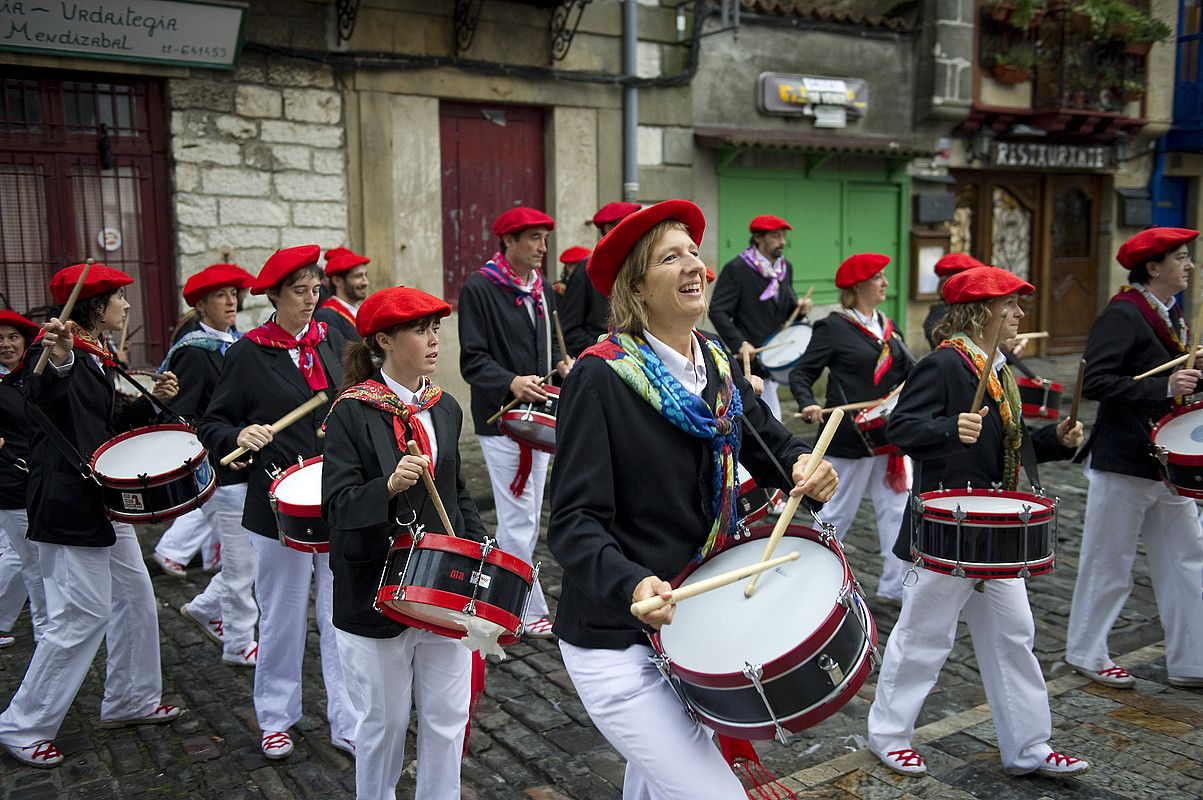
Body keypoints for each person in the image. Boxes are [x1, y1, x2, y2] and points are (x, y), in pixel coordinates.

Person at [547, 200, 839, 799]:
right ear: (637, 289)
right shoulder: (599, 377)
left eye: (695, 253)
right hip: (617, 638)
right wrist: (631, 584)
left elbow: (770, 442)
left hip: (693, 627)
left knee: (656, 788)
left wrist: (802, 466)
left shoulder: (713, 361)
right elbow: (573, 523)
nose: (694, 266)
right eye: (670, 257)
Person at [867, 265, 1088, 778]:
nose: (1018, 314)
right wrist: (950, 426)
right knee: (924, 637)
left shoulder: (999, 368)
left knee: (1015, 637)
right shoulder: (945, 366)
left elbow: (1009, 444)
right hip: (947, 529)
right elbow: (898, 427)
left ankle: (1029, 747)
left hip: (996, 533)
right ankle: (888, 735)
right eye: (1009, 305)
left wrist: (1056, 440)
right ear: (983, 311)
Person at [0, 263, 184, 768]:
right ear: (96, 306)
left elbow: (100, 424)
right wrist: (56, 359)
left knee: (135, 596)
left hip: (100, 499)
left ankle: (130, 698)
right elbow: (40, 393)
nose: (127, 307)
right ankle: (23, 724)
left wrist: (151, 406)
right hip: (67, 502)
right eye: (120, 299)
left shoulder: (96, 354)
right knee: (81, 614)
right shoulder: (55, 350)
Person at [322, 285, 485, 800]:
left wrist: (480, 549)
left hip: (441, 586)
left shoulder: (445, 407)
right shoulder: (350, 412)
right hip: (373, 590)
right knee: (384, 724)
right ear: (385, 341)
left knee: (446, 717)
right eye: (421, 330)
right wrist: (389, 486)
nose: (435, 340)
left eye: (436, 328)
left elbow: (457, 492)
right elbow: (338, 509)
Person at [199, 245, 356, 759]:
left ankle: (348, 719)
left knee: (341, 617)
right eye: (300, 292)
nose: (312, 300)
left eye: (316, 290)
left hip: (337, 500)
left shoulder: (335, 339)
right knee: (282, 616)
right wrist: (238, 435)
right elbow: (213, 423)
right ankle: (275, 716)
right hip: (277, 506)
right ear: (273, 295)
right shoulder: (248, 353)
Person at [1066, 227, 1203, 689]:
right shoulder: (1124, 314)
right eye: (1181, 258)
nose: (1189, 265)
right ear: (1154, 267)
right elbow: (1096, 382)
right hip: (1124, 458)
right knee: (1109, 562)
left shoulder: (1172, 312)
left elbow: (1172, 380)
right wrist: (1161, 387)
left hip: (1168, 461)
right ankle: (1086, 650)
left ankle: (1193, 660)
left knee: (1188, 557)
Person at [458, 206, 570, 638]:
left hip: (538, 415)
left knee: (523, 515)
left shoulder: (541, 289)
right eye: (535, 239)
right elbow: (472, 360)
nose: (544, 248)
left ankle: (510, 598)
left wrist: (559, 364)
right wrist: (511, 382)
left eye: (545, 238)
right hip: (501, 420)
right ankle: (519, 607)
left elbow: (545, 347)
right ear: (508, 242)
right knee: (519, 519)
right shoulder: (480, 289)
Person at [789, 253, 913, 604]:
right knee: (835, 512)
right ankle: (809, 582)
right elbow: (802, 373)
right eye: (879, 278)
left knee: (898, 511)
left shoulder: (891, 328)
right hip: (849, 437)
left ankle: (895, 585)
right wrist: (806, 403)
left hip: (889, 437)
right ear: (859, 286)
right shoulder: (833, 327)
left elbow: (908, 373)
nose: (885, 283)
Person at [157, 264, 261, 668]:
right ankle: (238, 643)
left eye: (234, 294)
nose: (232, 301)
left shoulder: (238, 343)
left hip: (247, 467)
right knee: (240, 565)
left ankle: (203, 608)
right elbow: (181, 418)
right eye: (221, 296)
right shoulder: (195, 353)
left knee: (250, 559)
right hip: (221, 471)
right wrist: (221, 444)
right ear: (201, 305)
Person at [710, 215, 813, 421]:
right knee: (762, 422)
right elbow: (717, 310)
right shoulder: (737, 269)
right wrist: (739, 343)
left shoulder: (785, 269)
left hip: (776, 356)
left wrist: (799, 309)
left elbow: (783, 310)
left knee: (771, 423)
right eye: (775, 236)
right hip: (753, 362)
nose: (782, 241)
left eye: (783, 236)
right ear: (758, 238)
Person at [0, 310, 46, 649]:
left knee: (27, 557)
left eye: (13, 337)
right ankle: (49, 633)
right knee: (34, 564)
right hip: (12, 487)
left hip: (39, 481)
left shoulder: (32, 375)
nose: (6, 344)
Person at [559, 201, 641, 356]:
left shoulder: (640, 266)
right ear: (609, 229)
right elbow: (570, 330)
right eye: (627, 225)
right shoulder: (585, 269)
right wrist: (607, 351)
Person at [315, 247, 371, 342]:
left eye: (366, 275)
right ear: (337, 280)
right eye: (358, 276)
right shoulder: (325, 317)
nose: (366, 282)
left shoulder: (361, 312)